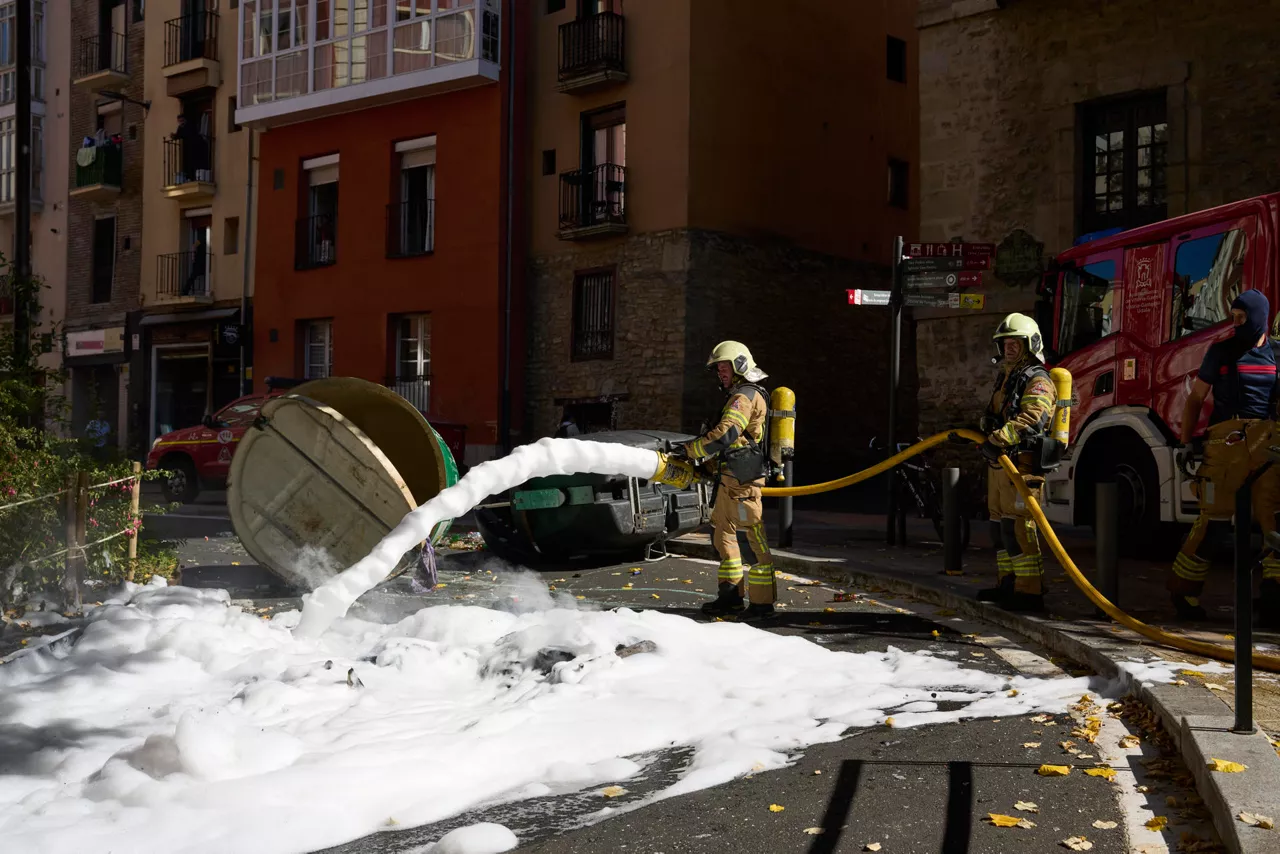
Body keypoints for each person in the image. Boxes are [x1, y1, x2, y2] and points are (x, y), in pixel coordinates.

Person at [1170, 290, 1279, 620]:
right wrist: (1186, 444)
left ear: (1259, 317)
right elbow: (1194, 400)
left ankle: (1274, 598)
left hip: (1267, 447)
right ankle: (1183, 595)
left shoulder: (1277, 354)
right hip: (1224, 447)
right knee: (1212, 524)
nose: (1235, 324)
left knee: (1275, 522)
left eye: (1241, 318)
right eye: (1232, 317)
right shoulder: (1219, 352)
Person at [683, 341, 775, 619]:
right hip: (729, 477)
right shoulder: (738, 394)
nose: (720, 374)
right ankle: (730, 597)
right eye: (718, 369)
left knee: (752, 539)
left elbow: (726, 433)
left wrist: (692, 451)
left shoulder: (744, 396)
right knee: (723, 536)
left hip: (744, 478)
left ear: (740, 367)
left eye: (725, 368)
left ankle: (762, 604)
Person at [976, 313, 1058, 612]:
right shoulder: (1007, 377)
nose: (1009, 348)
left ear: (1031, 344)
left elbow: (1032, 417)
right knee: (999, 528)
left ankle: (1030, 593)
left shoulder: (1038, 378)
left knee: (1018, 528)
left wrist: (997, 439)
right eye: (1006, 343)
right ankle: (1008, 584)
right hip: (1001, 463)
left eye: (1016, 343)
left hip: (1022, 464)